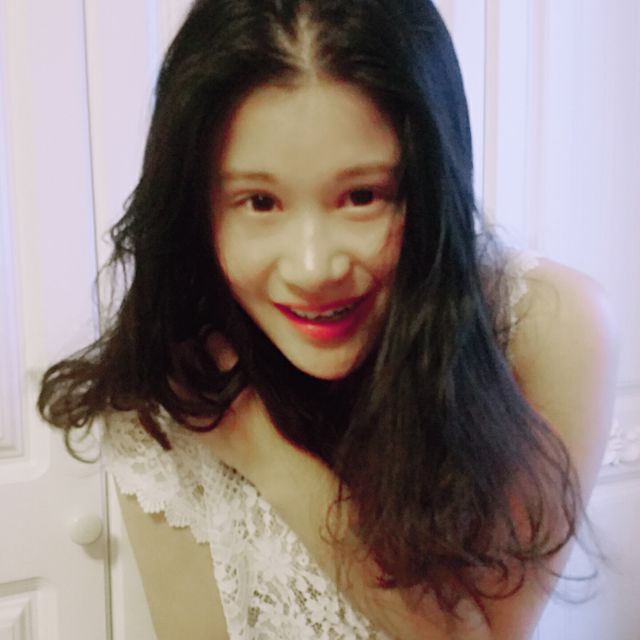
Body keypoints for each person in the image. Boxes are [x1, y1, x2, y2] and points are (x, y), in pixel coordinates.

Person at [38, 0, 618, 638]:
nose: (313, 268)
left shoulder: (549, 327)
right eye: (260, 202)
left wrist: (263, 450)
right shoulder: (171, 387)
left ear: (430, 187)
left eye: (362, 196)